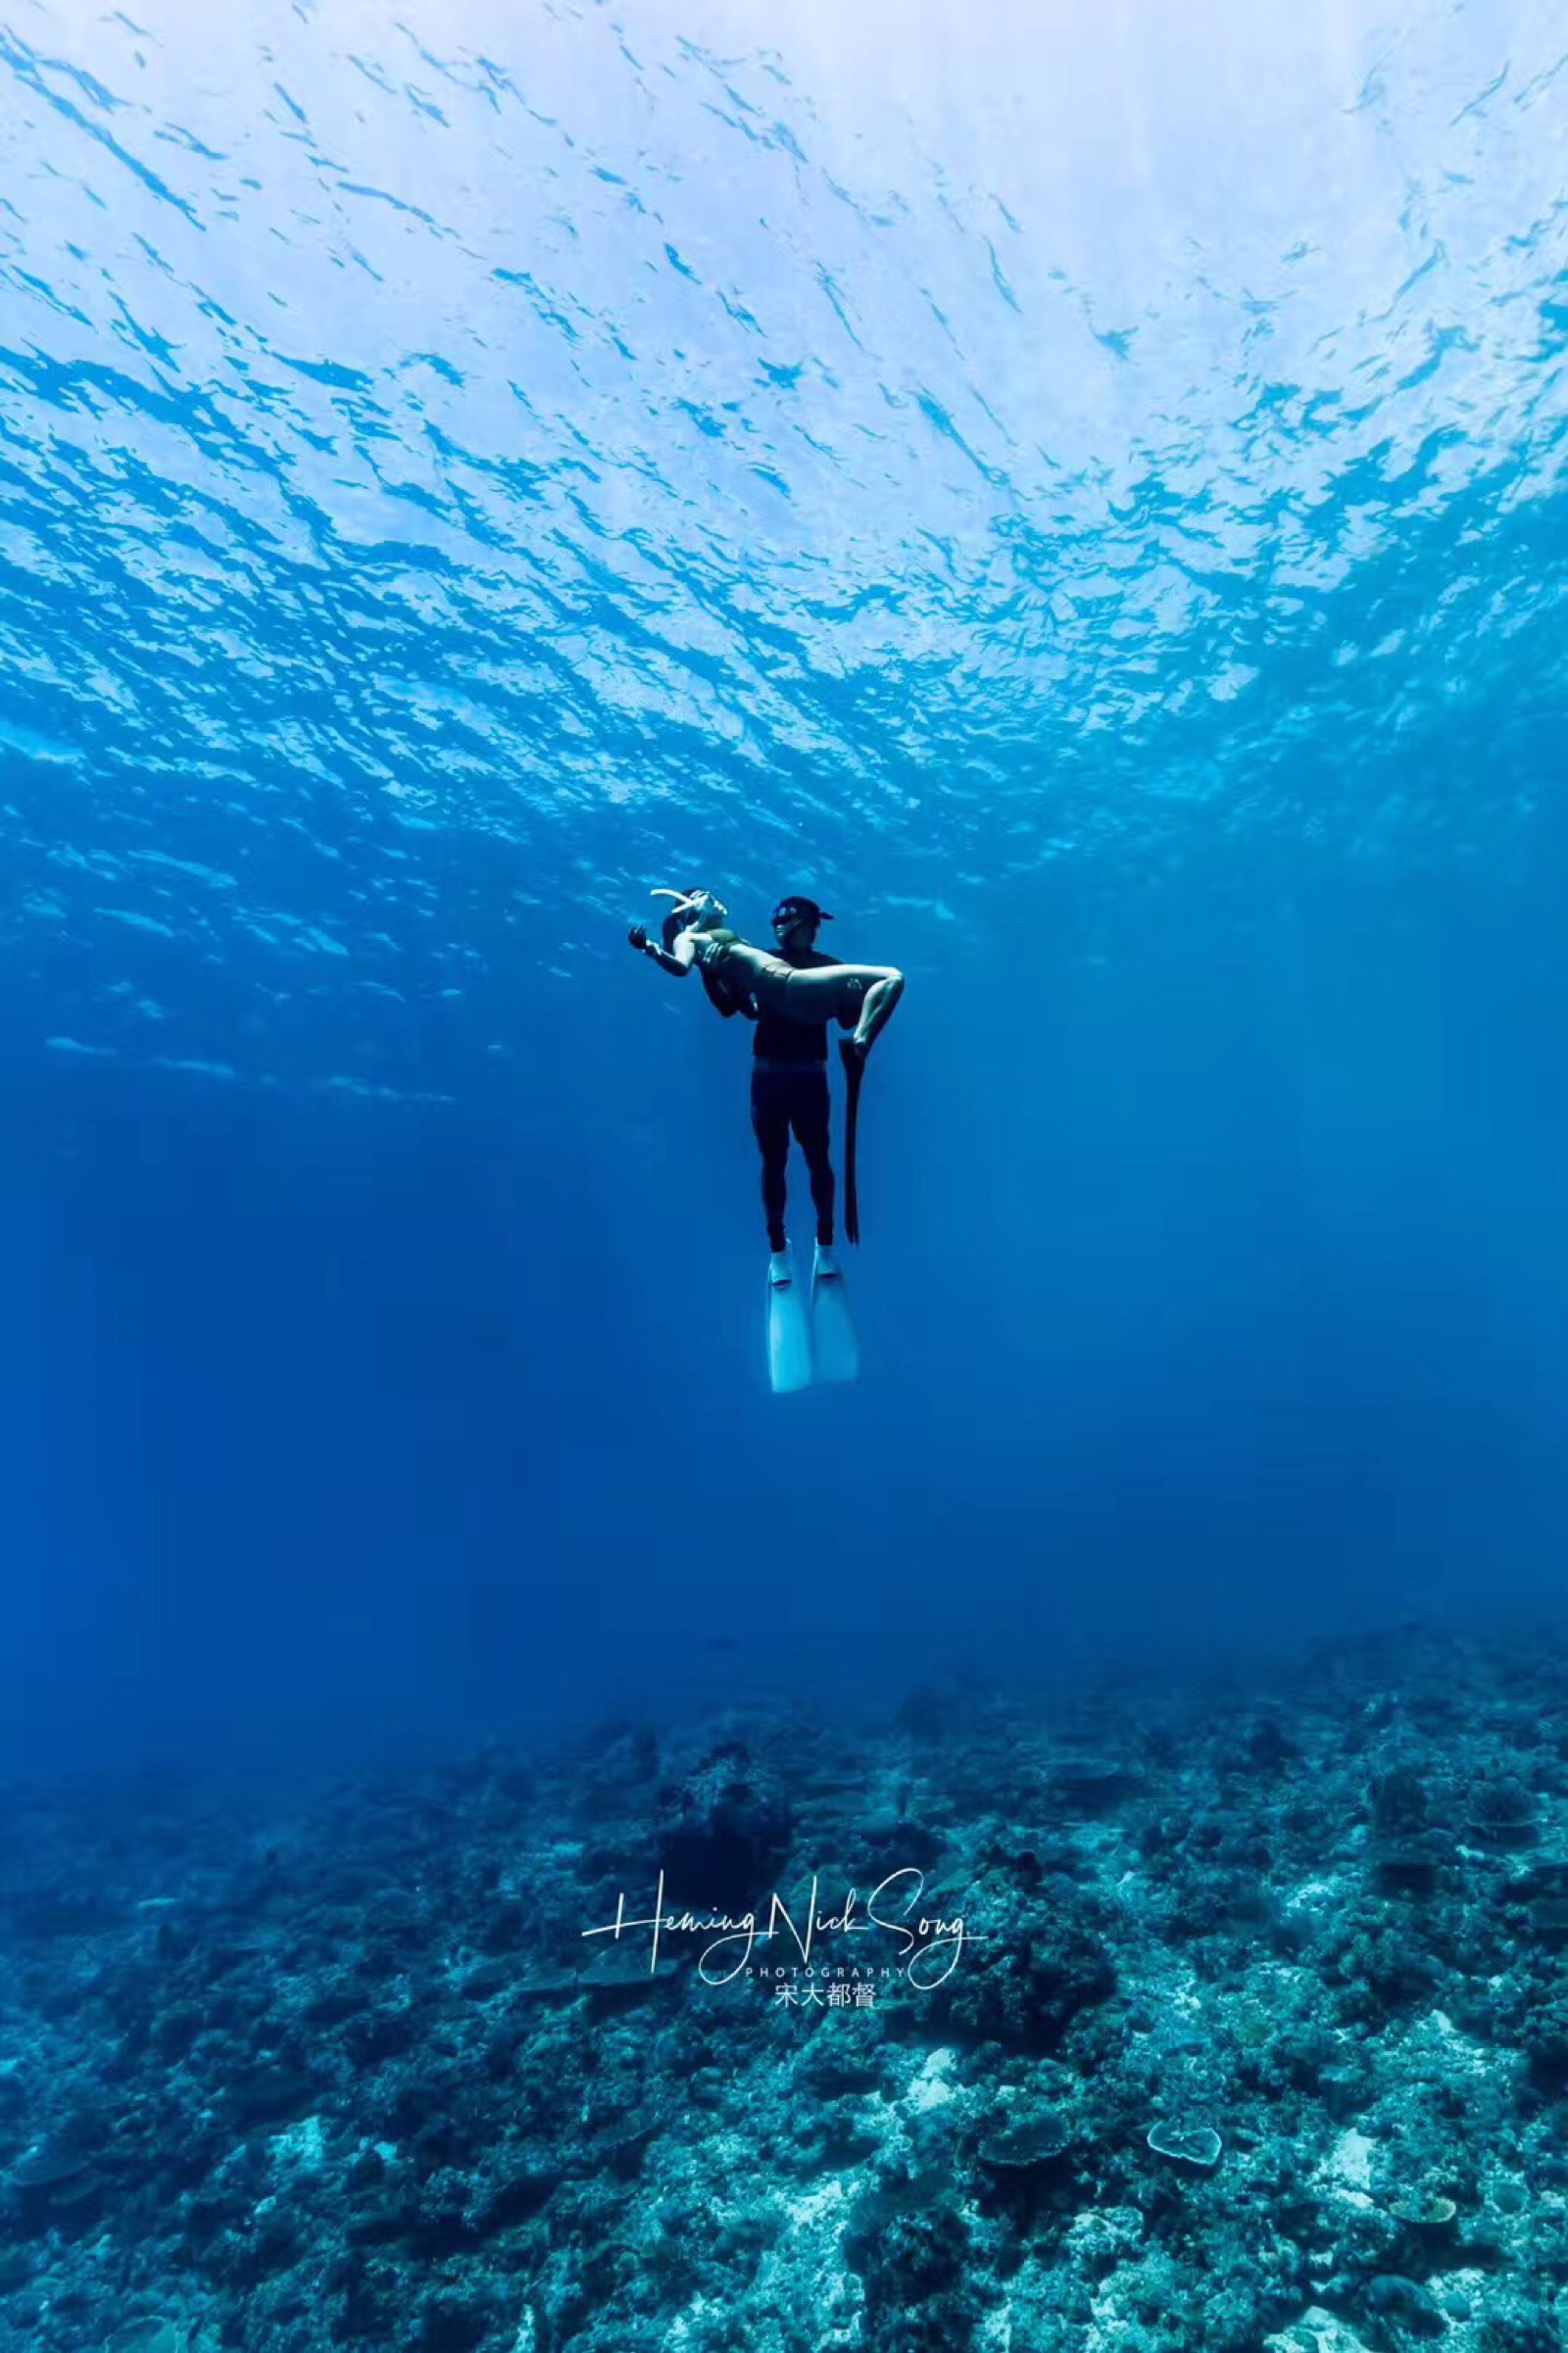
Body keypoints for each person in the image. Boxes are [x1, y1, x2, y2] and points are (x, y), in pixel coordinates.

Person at [628, 889, 904, 1258]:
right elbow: (737, 1007)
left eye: (784, 915)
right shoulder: (766, 958)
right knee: (776, 1160)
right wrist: (710, 974)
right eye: (775, 917)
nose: (776, 923)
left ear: (804, 921)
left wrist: (851, 1003)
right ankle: (778, 1243)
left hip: (806, 1073)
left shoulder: (824, 963)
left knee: (815, 1158)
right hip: (775, 1072)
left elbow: (844, 1016)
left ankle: (824, 1240)